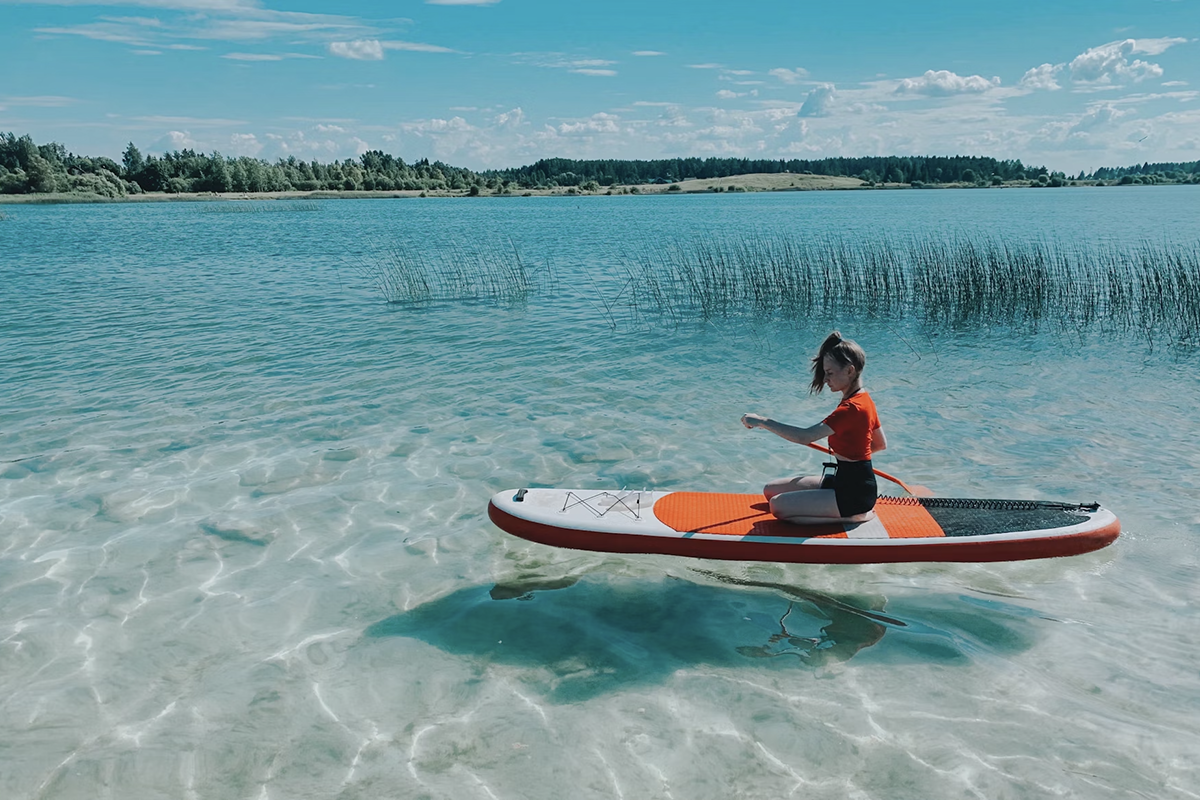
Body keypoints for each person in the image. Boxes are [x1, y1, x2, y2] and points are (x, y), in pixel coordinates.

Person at [741, 332, 887, 524]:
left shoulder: (851, 408)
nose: (826, 379)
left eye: (830, 373)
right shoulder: (864, 398)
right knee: (770, 490)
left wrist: (762, 421)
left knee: (777, 506)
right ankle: (844, 508)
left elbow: (805, 437)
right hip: (845, 481)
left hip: (854, 496)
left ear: (850, 370)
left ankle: (854, 517)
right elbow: (881, 444)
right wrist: (851, 456)